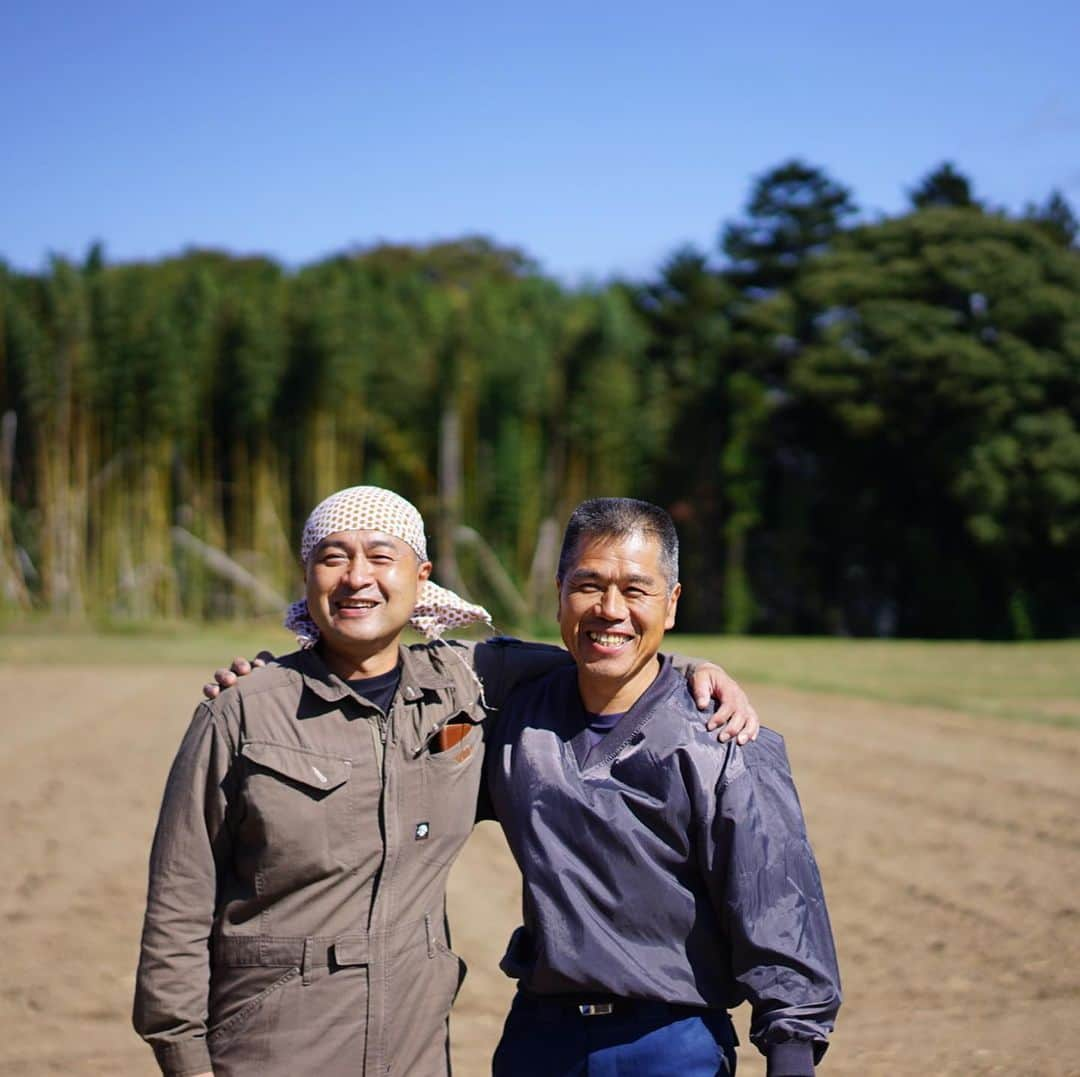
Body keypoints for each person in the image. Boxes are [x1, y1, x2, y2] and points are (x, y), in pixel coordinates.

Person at [133, 485, 759, 1077]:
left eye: (382, 557)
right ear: (307, 575)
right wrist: (185, 1056)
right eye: (333, 558)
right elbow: (178, 902)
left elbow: (611, 653)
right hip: (271, 1043)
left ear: (421, 578)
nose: (357, 578)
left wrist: (696, 672)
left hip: (412, 1048)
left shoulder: (472, 683)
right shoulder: (244, 710)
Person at [486, 497, 841, 1076]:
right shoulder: (514, 720)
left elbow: (778, 911)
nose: (609, 609)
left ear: (671, 603)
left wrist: (792, 1055)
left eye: (636, 589)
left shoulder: (723, 741)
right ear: (558, 594)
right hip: (539, 1040)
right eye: (589, 585)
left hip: (671, 1043)